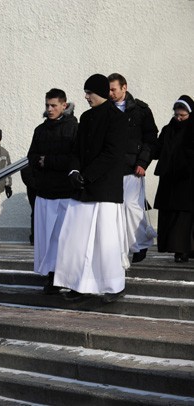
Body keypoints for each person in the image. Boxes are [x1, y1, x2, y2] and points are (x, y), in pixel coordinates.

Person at [54, 74, 128, 303]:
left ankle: (114, 285)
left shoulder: (117, 118)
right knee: (74, 239)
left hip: (104, 189)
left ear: (101, 92)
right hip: (82, 188)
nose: (86, 97)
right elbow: (76, 150)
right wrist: (74, 172)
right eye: (85, 92)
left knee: (105, 241)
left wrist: (87, 175)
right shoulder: (85, 118)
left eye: (90, 93)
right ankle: (78, 284)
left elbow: (112, 153)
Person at [27, 88, 78, 294]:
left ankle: (65, 276)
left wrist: (48, 161)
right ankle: (51, 275)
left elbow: (74, 158)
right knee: (46, 238)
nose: (49, 109)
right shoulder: (41, 130)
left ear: (64, 105)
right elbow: (32, 157)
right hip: (45, 191)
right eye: (47, 105)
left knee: (64, 238)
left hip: (65, 193)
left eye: (54, 105)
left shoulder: (74, 128)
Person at [108, 73, 159, 263]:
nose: (111, 93)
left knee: (132, 207)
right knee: (115, 210)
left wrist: (142, 163)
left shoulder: (140, 110)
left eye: (114, 89)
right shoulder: (106, 110)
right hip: (111, 170)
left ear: (124, 87)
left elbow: (150, 138)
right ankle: (121, 248)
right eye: (109, 90)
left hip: (132, 168)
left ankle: (141, 243)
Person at [153, 95, 194, 263]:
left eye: (182, 116)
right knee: (172, 215)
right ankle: (177, 249)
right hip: (170, 179)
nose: (178, 119)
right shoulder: (168, 129)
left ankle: (184, 250)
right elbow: (158, 148)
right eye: (176, 115)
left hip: (188, 180)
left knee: (184, 217)